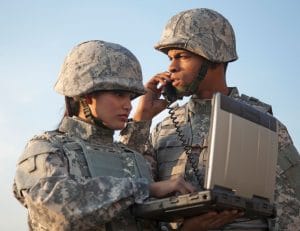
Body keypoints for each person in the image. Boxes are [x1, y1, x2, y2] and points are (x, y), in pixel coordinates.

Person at [121, 8, 300, 230]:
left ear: (214, 57)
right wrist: (141, 119)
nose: (171, 67)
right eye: (170, 58)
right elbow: (127, 190)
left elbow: (292, 212)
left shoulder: (261, 123)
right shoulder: (163, 128)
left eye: (182, 56)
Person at [12, 40, 203, 231]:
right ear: (86, 95)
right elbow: (57, 211)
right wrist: (145, 188)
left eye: (130, 97)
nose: (128, 105)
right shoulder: (47, 148)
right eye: (119, 94)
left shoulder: (133, 158)